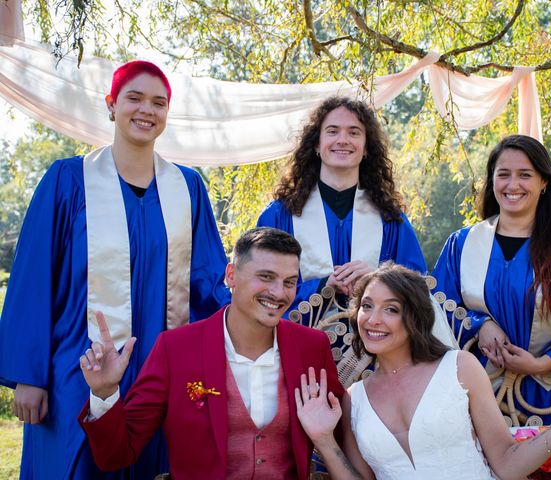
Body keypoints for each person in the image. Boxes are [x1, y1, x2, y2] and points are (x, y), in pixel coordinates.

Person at [0, 60, 230, 479]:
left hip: (163, 373)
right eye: (135, 98)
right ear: (111, 105)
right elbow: (32, 278)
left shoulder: (188, 187)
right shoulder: (68, 180)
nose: (147, 110)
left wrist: (242, 339)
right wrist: (28, 376)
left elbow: (208, 281)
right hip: (75, 369)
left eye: (159, 103)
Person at [295, 263, 551, 480]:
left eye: (391, 309)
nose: (373, 319)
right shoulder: (355, 398)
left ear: (414, 318)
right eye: (367, 306)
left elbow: (506, 463)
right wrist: (324, 440)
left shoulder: (458, 368)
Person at [78, 227, 344, 479]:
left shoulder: (312, 347)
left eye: (290, 282)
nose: (278, 292)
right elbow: (118, 455)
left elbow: (342, 437)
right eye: (266, 277)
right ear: (231, 275)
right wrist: (104, 394)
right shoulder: (176, 349)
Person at [431, 135, 551, 445]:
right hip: (476, 395)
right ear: (491, 181)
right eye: (503, 174)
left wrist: (541, 363)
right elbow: (435, 312)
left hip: (549, 398)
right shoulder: (462, 246)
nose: (512, 184)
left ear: (544, 182)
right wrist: (481, 324)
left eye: (525, 174)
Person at [257, 96, 427, 316]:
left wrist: (379, 280)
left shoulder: (391, 220)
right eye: (332, 131)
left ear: (366, 148)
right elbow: (259, 288)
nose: (343, 140)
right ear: (317, 144)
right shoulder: (279, 216)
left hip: (375, 344)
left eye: (354, 132)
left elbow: (420, 290)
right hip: (296, 342)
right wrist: (321, 288)